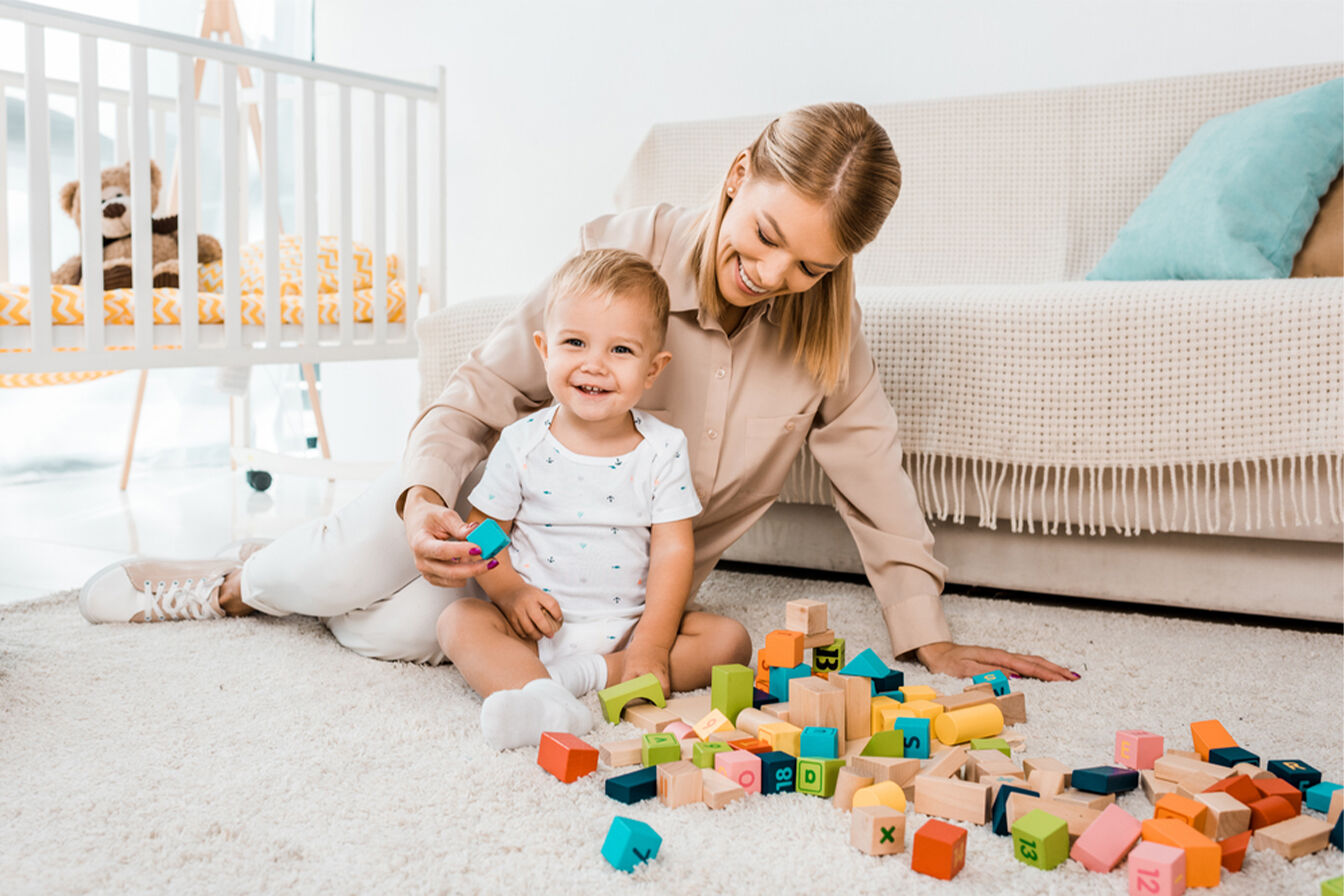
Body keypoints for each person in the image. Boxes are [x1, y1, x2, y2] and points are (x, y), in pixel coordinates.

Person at [80, 101, 1076, 684]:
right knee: (364, 559)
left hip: (597, 589)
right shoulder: (628, 248)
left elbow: (876, 484)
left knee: (399, 633)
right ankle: (230, 582)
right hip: (496, 521)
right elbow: (487, 384)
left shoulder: (827, 334)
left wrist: (926, 631)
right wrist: (426, 498)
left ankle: (295, 560)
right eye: (767, 235)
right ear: (737, 177)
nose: (774, 273)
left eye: (809, 265)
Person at [439, 247, 749, 750]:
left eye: (621, 351)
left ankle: (573, 681)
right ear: (544, 349)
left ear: (653, 369)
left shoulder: (663, 449)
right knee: (458, 621)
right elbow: (482, 535)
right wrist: (511, 593)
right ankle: (542, 690)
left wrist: (650, 642)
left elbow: (674, 550)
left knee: (728, 641)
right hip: (535, 626)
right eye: (575, 342)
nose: (595, 365)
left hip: (629, 629)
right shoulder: (521, 443)